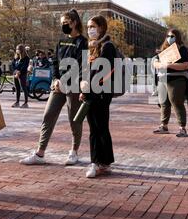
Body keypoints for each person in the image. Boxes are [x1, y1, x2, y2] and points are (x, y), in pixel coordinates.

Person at [20, 9, 88, 166]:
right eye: (61, 23)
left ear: (75, 22)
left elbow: (81, 65)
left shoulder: (83, 43)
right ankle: (40, 153)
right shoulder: (61, 42)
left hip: (74, 85)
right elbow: (55, 62)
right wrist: (56, 78)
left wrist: (64, 80)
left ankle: (74, 152)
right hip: (58, 86)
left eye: (66, 23)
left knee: (74, 119)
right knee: (48, 115)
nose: (63, 26)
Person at [80, 15, 116, 178]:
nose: (90, 30)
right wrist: (83, 89)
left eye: (93, 26)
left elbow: (102, 69)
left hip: (101, 93)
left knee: (98, 128)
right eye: (88, 27)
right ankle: (105, 162)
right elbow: (86, 71)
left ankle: (95, 163)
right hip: (91, 92)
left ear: (101, 27)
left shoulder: (107, 46)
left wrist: (88, 89)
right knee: (97, 128)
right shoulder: (92, 47)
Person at [153, 29, 188, 138]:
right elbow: (155, 62)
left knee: (176, 102)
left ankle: (182, 127)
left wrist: (169, 65)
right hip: (163, 79)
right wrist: (161, 65)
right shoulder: (163, 49)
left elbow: (186, 65)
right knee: (163, 103)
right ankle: (163, 125)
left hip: (177, 79)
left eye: (173, 36)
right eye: (168, 36)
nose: (170, 38)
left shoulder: (182, 49)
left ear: (177, 37)